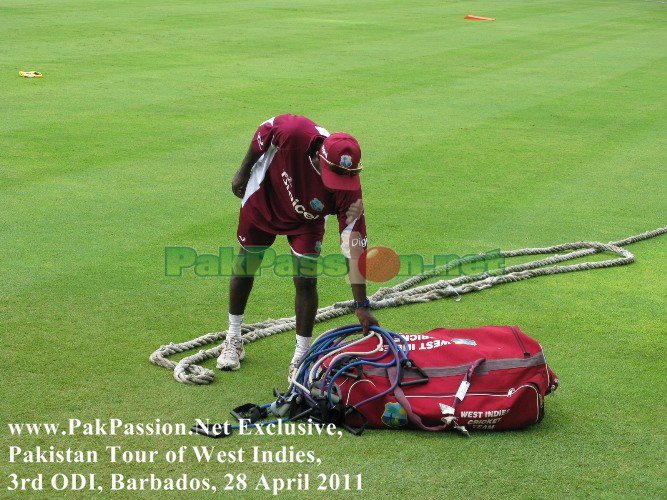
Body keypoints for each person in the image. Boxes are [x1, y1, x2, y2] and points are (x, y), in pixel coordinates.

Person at [218, 114, 379, 381]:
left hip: (307, 222)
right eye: (335, 176)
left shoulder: (348, 187)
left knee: (305, 279)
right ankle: (233, 338)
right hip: (264, 197)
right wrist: (242, 171)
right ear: (319, 157)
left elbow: (354, 245)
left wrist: (361, 304)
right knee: (247, 263)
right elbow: (262, 135)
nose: (340, 186)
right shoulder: (293, 132)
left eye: (346, 179)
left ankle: (301, 356)